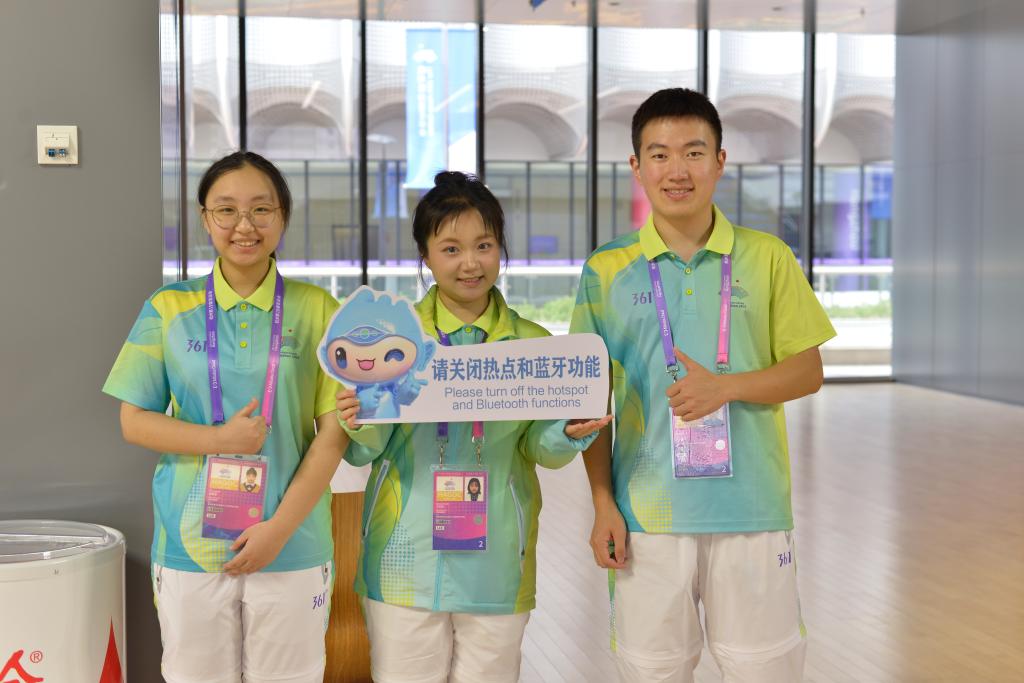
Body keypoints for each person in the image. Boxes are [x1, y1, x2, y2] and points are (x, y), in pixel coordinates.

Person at [569, 88, 836, 682]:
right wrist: (603, 503)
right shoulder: (605, 270)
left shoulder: (767, 257)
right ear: (636, 165)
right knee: (652, 670)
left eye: (693, 152)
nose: (677, 170)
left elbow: (808, 370)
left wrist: (726, 387)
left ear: (719, 161)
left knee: (764, 671)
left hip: (751, 510)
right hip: (647, 515)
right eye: (659, 154)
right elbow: (590, 401)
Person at [335, 171, 612, 683]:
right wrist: (356, 417)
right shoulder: (392, 343)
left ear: (500, 248)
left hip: (497, 559)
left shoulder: (532, 346)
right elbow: (364, 451)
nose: (470, 263)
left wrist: (569, 432)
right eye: (451, 249)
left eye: (484, 245)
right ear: (425, 256)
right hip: (404, 558)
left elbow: (541, 450)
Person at [103, 151, 349, 683]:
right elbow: (134, 420)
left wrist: (278, 531)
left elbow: (333, 435)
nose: (245, 225)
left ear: (282, 216)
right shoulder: (168, 307)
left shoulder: (319, 309)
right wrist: (220, 439)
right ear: (204, 218)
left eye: (261, 209)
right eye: (227, 210)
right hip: (190, 539)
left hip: (293, 539)